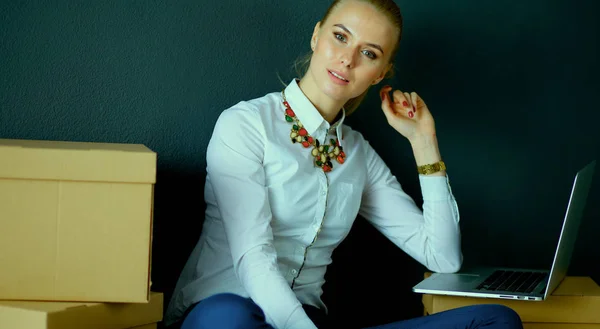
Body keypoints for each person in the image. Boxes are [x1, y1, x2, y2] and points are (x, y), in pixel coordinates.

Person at [165, 0, 524, 328]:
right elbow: (253, 259)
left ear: (381, 73)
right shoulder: (245, 124)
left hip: (309, 319)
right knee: (231, 318)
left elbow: (442, 257)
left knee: (496, 321)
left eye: (368, 53)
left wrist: (423, 142)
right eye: (340, 37)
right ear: (316, 36)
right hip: (225, 313)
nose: (347, 59)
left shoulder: (357, 154)